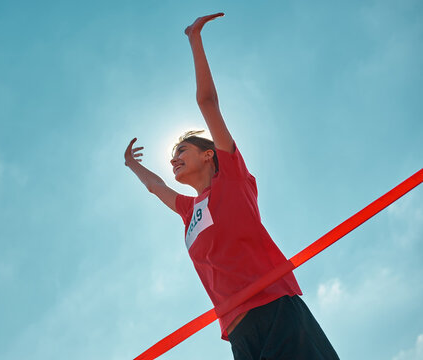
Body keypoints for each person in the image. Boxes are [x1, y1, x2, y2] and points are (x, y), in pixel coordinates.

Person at [124, 13, 339, 360]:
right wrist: (132, 165)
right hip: (238, 331)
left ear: (208, 155)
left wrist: (195, 37)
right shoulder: (188, 211)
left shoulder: (233, 179)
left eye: (182, 150)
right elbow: (155, 186)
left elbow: (207, 102)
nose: (174, 158)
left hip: (275, 309)